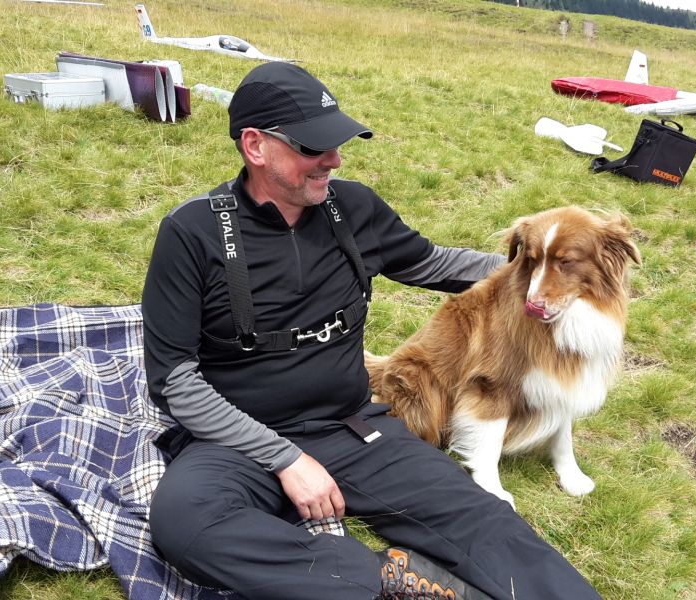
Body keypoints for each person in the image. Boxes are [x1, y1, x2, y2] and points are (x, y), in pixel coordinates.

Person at [142, 61, 602, 600]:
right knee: (184, 522)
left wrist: (540, 268)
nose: (334, 160)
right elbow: (174, 382)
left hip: (352, 428)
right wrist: (285, 459)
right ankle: (385, 582)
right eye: (314, 147)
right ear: (255, 146)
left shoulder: (353, 208)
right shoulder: (191, 233)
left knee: (482, 518)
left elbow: (432, 263)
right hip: (237, 440)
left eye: (337, 144)